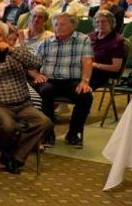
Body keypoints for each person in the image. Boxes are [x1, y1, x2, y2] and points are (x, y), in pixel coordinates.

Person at [0, 22, 51, 174]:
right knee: (8, 127)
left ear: (6, 38)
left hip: (23, 103)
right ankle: (13, 155)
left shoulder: (16, 53)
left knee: (44, 122)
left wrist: (11, 50)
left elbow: (37, 63)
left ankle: (15, 157)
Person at [33, 13, 94, 147]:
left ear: (73, 25)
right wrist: (35, 75)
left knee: (85, 96)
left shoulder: (83, 39)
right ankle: (48, 134)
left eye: (62, 24)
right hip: (50, 80)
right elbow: (32, 64)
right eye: (56, 24)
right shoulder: (46, 42)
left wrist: (85, 81)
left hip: (72, 80)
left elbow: (87, 61)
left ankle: (73, 133)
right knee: (45, 92)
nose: (58, 27)